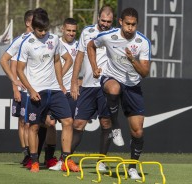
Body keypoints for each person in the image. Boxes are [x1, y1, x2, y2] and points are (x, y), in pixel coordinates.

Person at [87, 7, 151, 179]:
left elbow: (145, 72)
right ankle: (115, 126)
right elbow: (90, 46)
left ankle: (132, 167)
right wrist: (94, 67)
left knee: (138, 131)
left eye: (133, 25)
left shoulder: (143, 42)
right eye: (127, 24)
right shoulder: (109, 36)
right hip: (111, 77)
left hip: (133, 86)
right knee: (114, 89)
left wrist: (132, 59)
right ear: (121, 22)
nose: (130, 28)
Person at [16, 9, 78, 173]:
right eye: (40, 30)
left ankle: (65, 160)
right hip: (37, 91)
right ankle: (35, 161)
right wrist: (30, 89)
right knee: (34, 127)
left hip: (55, 90)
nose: (43, 33)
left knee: (68, 121)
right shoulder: (27, 43)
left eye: (45, 30)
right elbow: (20, 70)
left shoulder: (54, 39)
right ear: (33, 28)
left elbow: (57, 61)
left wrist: (60, 83)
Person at [69, 5, 123, 171]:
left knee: (106, 123)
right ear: (97, 18)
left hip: (105, 86)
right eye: (102, 20)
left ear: (112, 21)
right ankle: (66, 158)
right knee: (78, 123)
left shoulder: (116, 35)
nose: (105, 24)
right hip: (87, 85)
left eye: (108, 21)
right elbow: (79, 56)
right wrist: (73, 80)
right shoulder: (87, 32)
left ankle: (102, 162)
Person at [0, 9, 33, 167]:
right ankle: (26, 154)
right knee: (22, 122)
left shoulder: (42, 41)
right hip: (22, 89)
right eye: (35, 21)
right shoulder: (20, 40)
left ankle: (35, 154)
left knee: (32, 123)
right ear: (28, 23)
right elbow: (12, 65)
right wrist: (15, 87)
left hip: (36, 88)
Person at [49, 17, 79, 171]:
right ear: (62, 29)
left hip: (71, 91)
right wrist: (57, 80)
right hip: (54, 90)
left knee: (69, 124)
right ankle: (46, 157)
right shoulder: (54, 43)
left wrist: (77, 82)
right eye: (68, 30)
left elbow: (82, 67)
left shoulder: (80, 46)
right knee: (49, 123)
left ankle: (64, 159)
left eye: (74, 31)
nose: (71, 33)